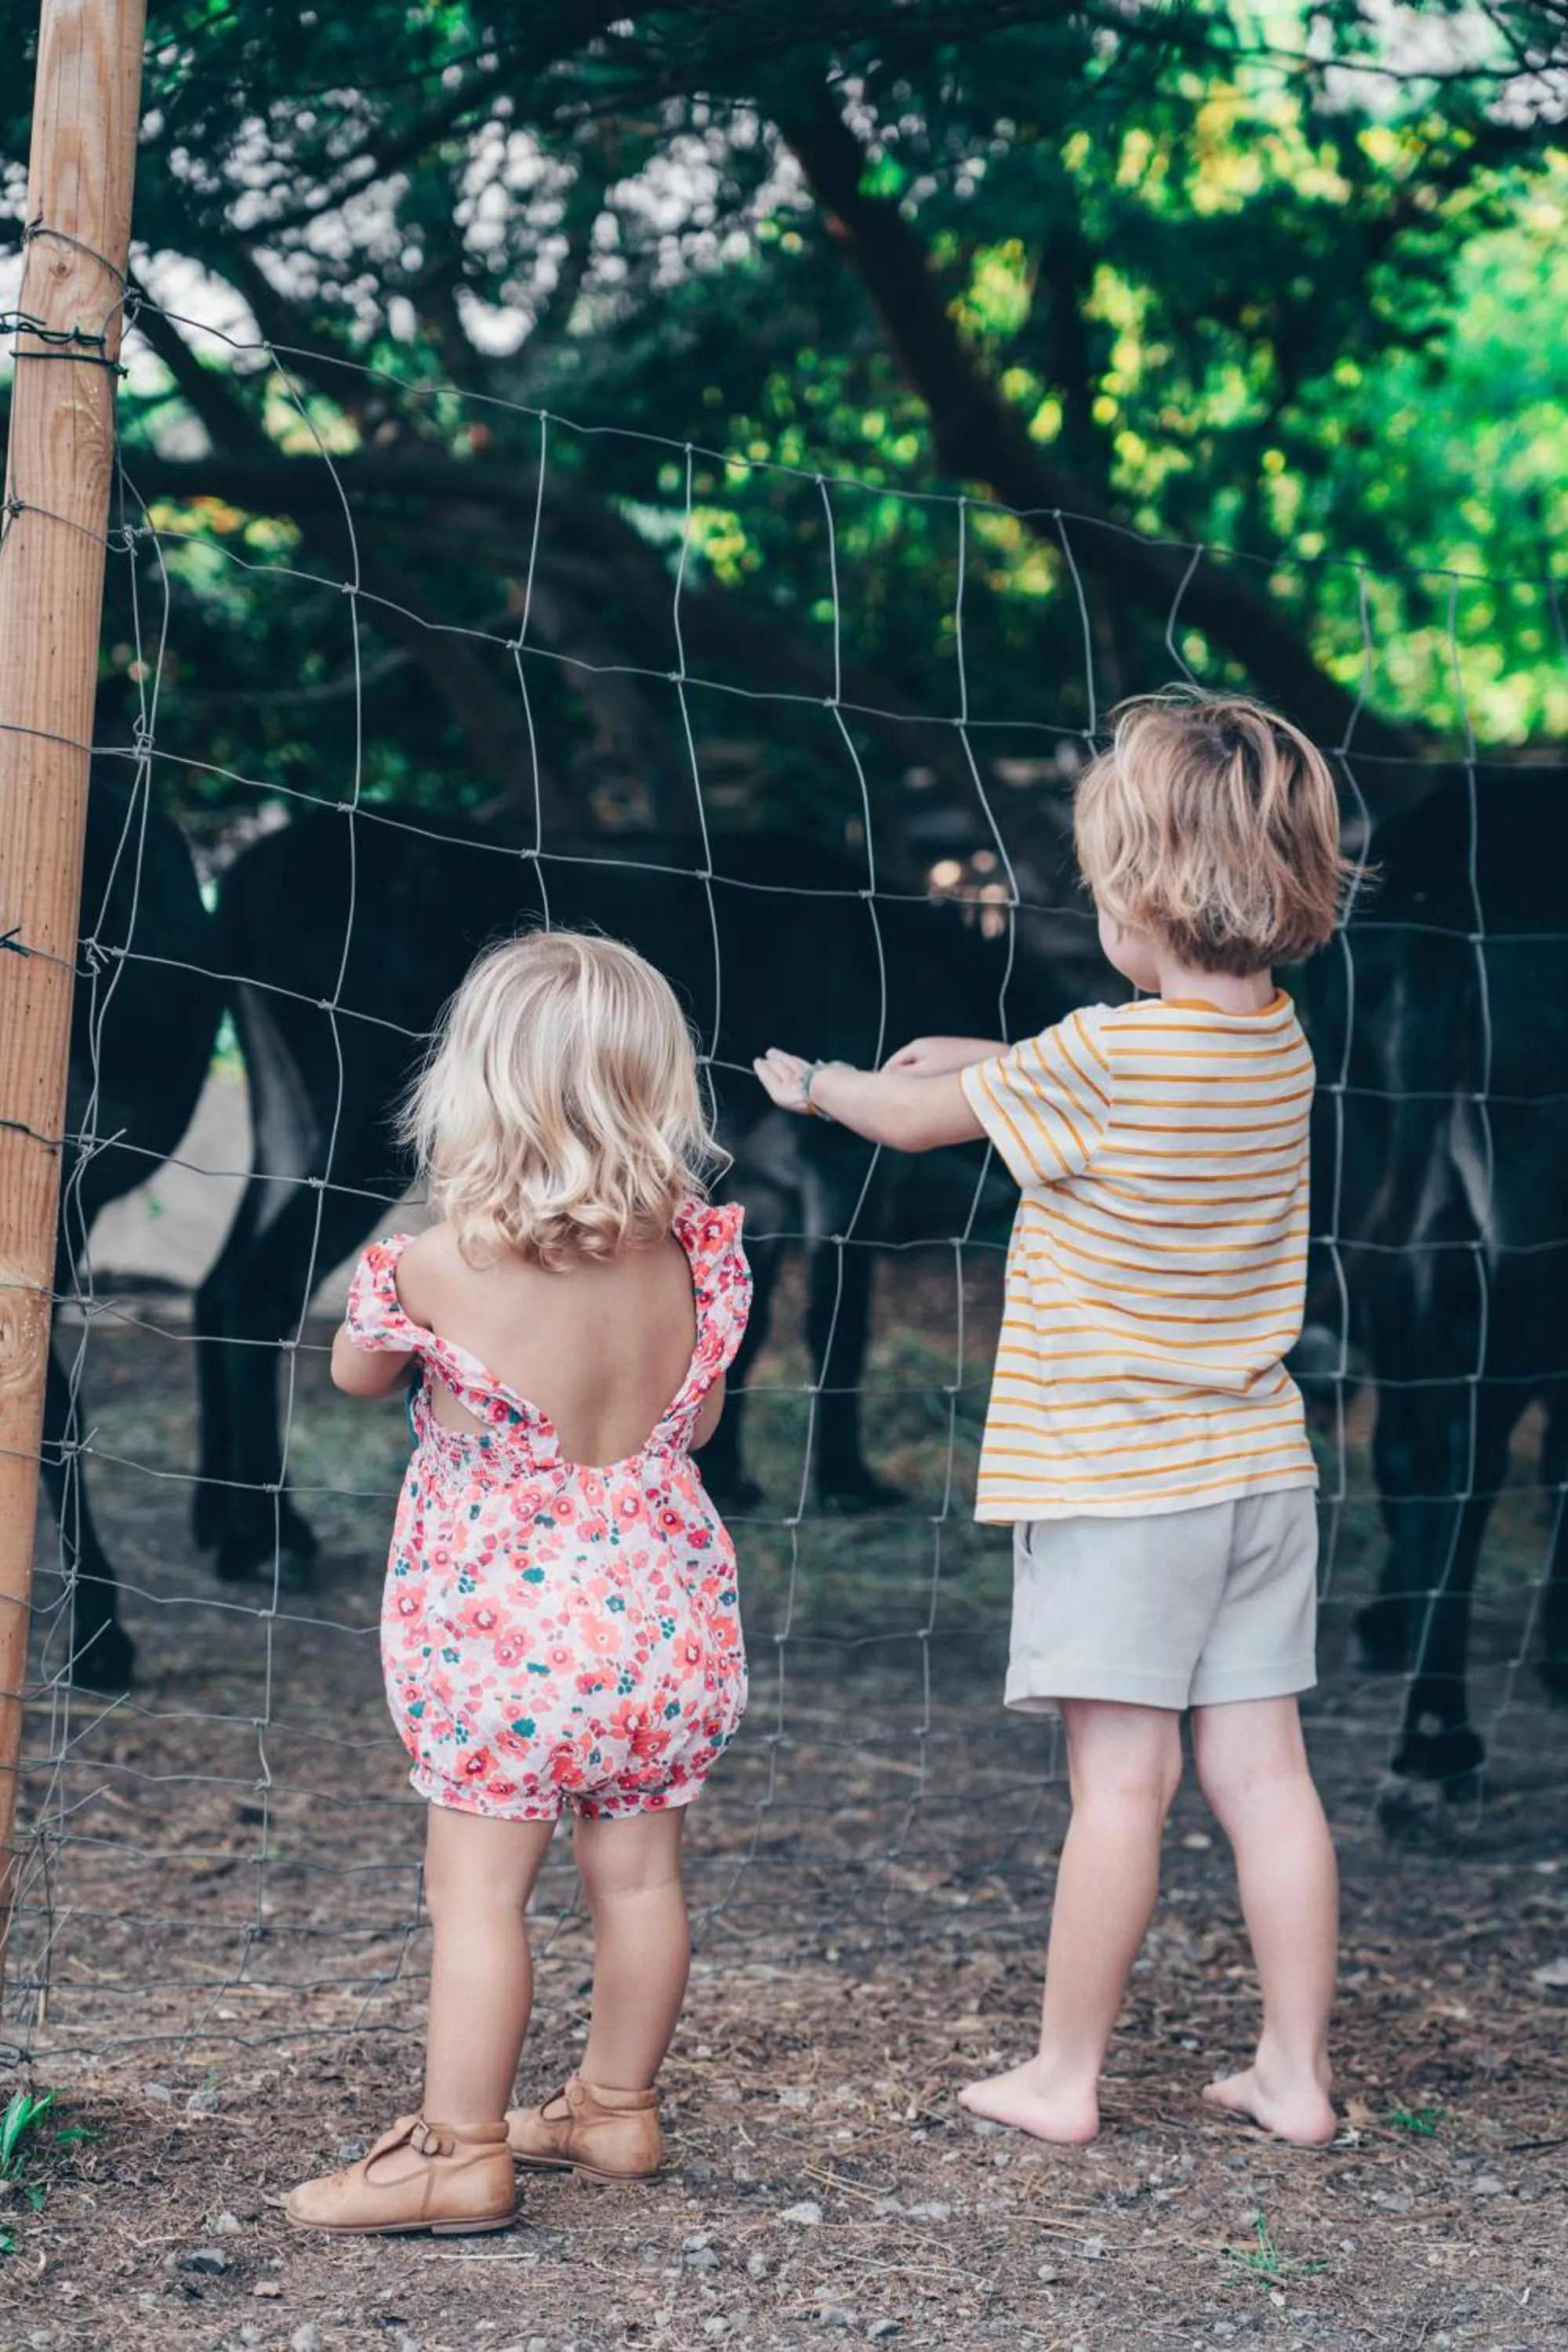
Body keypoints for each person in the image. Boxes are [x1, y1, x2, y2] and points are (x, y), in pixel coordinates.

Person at [754, 691, 1348, 2148]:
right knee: (1265, 1779)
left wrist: (818, 1084)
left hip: (1119, 1483)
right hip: (1257, 1474)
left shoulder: (1103, 1061)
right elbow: (1065, 1063)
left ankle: (1064, 2078)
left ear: (1140, 896)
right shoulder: (1273, 1046)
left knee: (1120, 1786)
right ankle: (1295, 2072)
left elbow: (911, 1124)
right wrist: (971, 1053)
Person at [287, 931, 752, 2234]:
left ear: (474, 1090)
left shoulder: (438, 1265)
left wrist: (425, 1306)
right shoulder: (694, 1258)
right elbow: (699, 1425)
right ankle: (614, 2108)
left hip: (502, 1642)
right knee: (643, 1879)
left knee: (480, 1897)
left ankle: (459, 2148)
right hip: (663, 1621)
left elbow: (354, 1377)